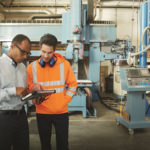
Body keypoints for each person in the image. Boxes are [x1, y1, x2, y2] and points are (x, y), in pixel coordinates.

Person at [27, 33, 77, 150]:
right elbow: (29, 87)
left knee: (63, 145)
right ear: (40, 48)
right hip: (42, 112)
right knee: (45, 145)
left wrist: (65, 100)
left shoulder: (64, 65)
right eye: (43, 51)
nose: (45, 55)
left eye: (49, 52)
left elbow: (73, 85)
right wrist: (33, 88)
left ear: (54, 50)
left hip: (61, 112)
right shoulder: (31, 67)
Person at [0, 34, 31, 150]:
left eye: (28, 53)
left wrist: (33, 98)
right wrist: (14, 91)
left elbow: (22, 94)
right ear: (12, 46)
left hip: (21, 116)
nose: (25, 56)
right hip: (3, 119)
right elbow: (16, 91)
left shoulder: (23, 68)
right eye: (23, 52)